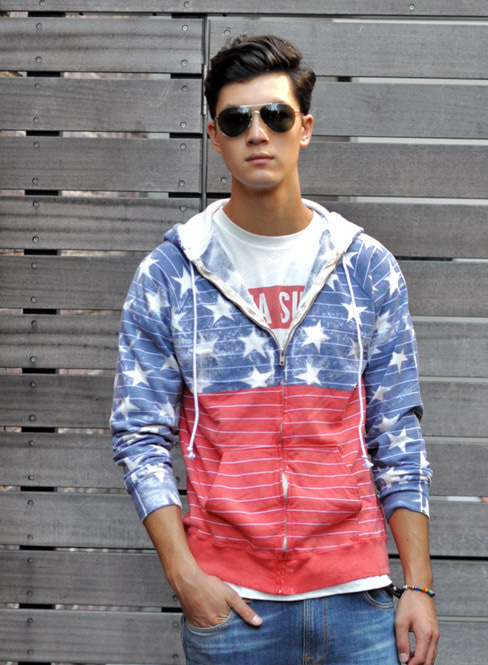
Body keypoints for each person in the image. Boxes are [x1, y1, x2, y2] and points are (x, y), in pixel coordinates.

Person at [110, 34, 439, 665]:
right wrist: (185, 577)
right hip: (234, 609)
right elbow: (139, 435)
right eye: (236, 120)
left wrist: (419, 586)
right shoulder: (172, 274)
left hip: (360, 604)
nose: (257, 133)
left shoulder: (365, 267)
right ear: (215, 136)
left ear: (304, 128)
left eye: (276, 115)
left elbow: (397, 431)